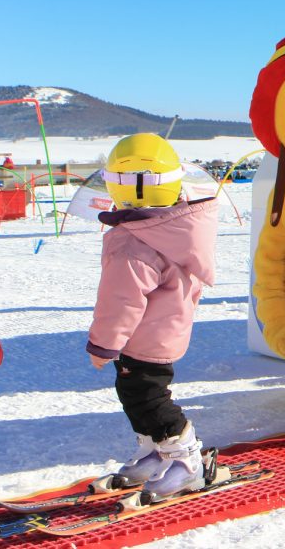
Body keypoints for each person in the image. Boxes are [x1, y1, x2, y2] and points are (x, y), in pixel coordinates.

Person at [87, 134, 218, 499]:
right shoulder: (172, 226)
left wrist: (103, 344)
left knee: (147, 398)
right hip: (163, 332)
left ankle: (186, 460)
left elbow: (121, 301)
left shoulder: (133, 241)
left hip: (145, 337)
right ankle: (153, 452)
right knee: (135, 393)